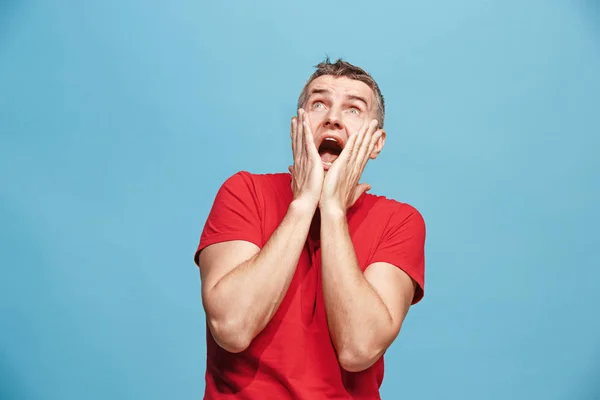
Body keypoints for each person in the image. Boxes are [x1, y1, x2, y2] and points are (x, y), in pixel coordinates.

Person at [193, 58, 426, 399]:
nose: (332, 118)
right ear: (296, 128)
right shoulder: (244, 192)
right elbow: (232, 328)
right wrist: (303, 204)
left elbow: (358, 349)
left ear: (376, 143)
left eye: (353, 109)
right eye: (319, 104)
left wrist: (332, 210)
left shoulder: (400, 222)